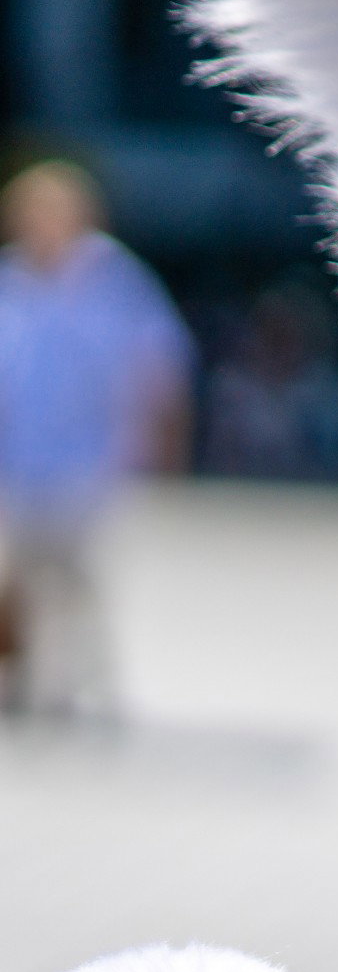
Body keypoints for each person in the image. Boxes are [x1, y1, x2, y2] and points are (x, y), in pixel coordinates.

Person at [0, 159, 191, 720]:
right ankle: (25, 680)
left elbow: (160, 362)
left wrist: (163, 442)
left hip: (90, 457)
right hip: (19, 457)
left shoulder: (117, 281)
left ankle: (75, 683)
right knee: (20, 578)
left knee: (75, 577)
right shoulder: (11, 280)